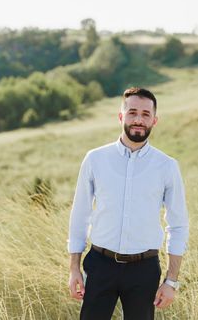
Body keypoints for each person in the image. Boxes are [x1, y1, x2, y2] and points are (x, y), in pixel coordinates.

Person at [67, 87, 189, 320]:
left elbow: (178, 225)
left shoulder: (167, 166)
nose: (138, 120)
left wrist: (171, 281)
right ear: (121, 116)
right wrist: (74, 269)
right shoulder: (95, 159)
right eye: (132, 112)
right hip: (100, 265)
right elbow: (80, 215)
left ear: (154, 120)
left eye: (145, 114)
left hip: (144, 270)